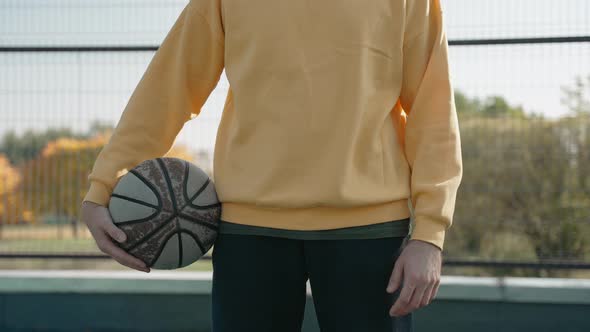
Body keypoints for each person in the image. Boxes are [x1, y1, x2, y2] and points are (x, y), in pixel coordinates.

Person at [80, 0, 462, 331]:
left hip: (370, 232)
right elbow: (169, 87)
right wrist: (104, 184)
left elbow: (433, 111)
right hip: (250, 232)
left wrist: (430, 233)